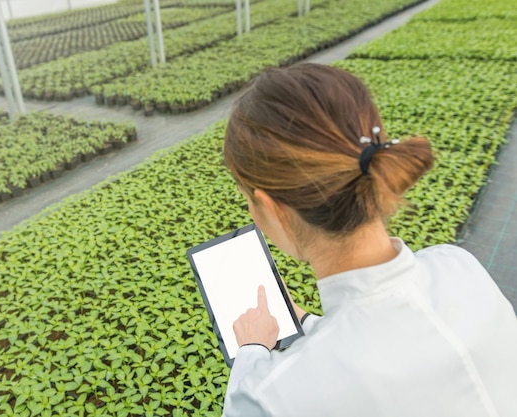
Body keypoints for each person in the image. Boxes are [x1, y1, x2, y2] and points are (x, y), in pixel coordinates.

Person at [221, 63, 517, 417]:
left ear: (270, 207)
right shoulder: (459, 268)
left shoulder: (273, 398)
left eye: (248, 198)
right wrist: (311, 324)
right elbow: (388, 335)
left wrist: (253, 349)